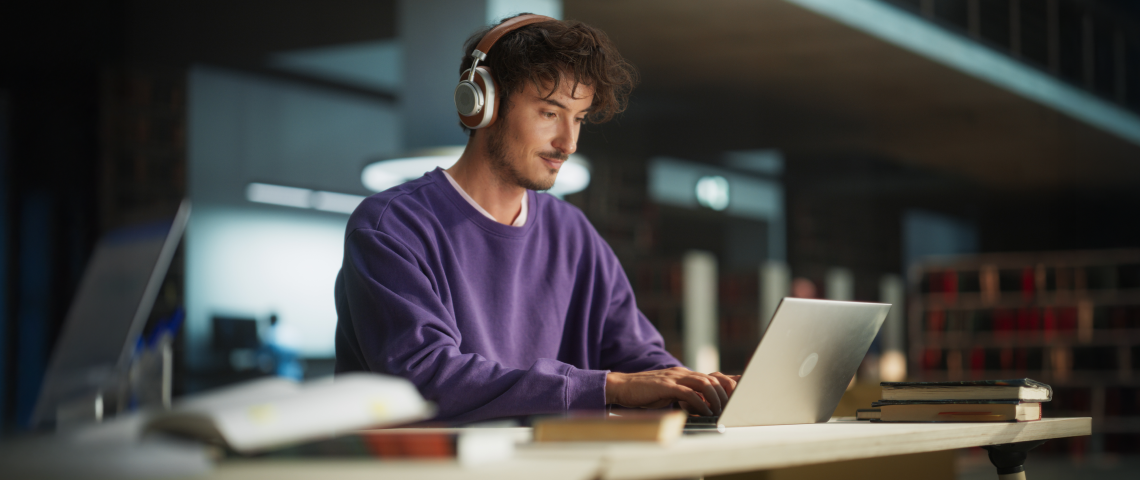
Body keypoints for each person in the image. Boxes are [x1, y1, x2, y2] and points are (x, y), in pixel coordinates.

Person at [334, 14, 738, 423]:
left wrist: (695, 388)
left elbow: (638, 357)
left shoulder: (573, 233)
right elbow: (425, 378)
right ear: (483, 104)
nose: (568, 142)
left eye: (578, 119)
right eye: (550, 113)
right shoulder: (391, 226)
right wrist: (607, 387)